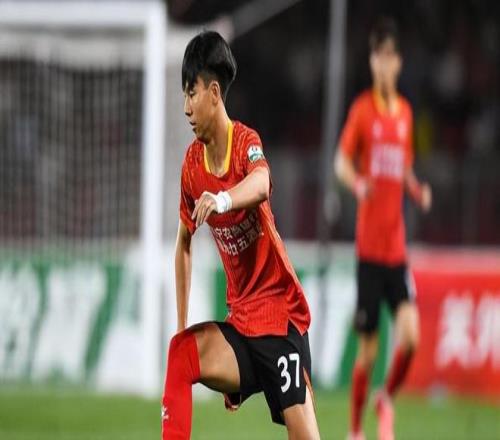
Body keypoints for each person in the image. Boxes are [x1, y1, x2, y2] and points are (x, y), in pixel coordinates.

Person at [161, 30, 320, 440]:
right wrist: (181, 325)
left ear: (214, 93)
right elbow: (183, 245)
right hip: (242, 327)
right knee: (181, 355)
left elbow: (262, 183)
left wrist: (224, 199)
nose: (186, 107)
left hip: (279, 319)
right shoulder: (192, 166)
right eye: (183, 95)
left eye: (192, 93)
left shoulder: (245, 142)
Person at [334, 17, 432, 440]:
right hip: (369, 253)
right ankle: (356, 431)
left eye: (390, 56)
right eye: (378, 56)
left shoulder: (405, 113)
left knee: (411, 337)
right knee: (369, 351)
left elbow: (403, 165)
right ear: (372, 62)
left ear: (399, 62)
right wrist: (357, 183)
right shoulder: (362, 110)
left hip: (397, 250)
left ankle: (385, 398)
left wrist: (415, 189)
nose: (384, 64)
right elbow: (340, 161)